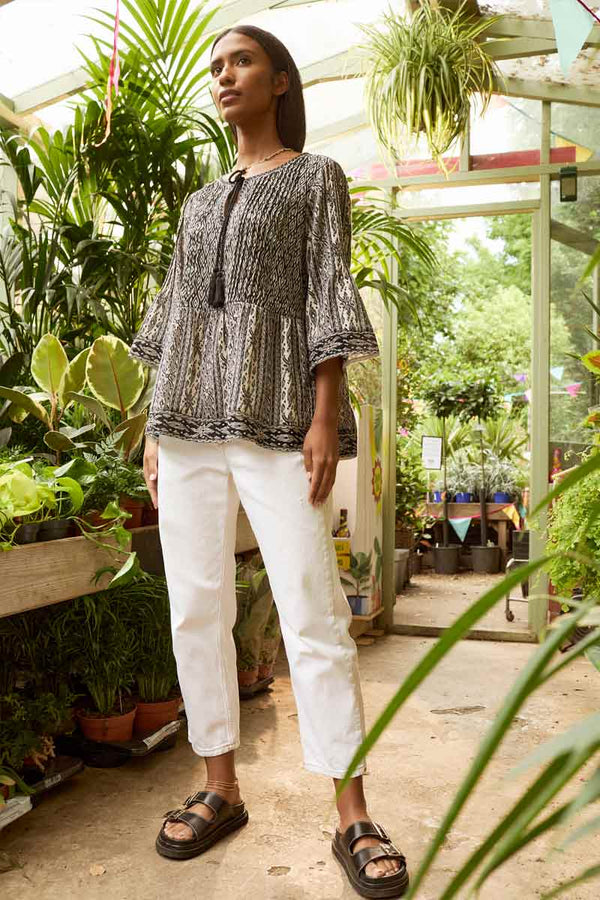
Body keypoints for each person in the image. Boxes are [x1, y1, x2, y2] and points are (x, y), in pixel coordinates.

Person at [128, 23, 408, 899]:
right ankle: (220, 785)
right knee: (195, 608)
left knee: (313, 611)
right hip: (185, 425)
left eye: (240, 61)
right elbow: (174, 312)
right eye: (215, 67)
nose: (223, 76)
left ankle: (351, 811)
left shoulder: (315, 177)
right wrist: (153, 428)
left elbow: (329, 289)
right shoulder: (200, 201)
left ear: (281, 79)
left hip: (280, 421)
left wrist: (325, 415)